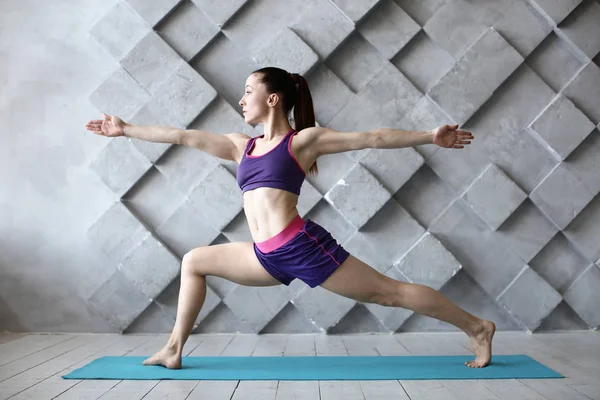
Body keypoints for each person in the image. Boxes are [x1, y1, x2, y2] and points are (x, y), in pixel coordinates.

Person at [85, 66, 495, 369]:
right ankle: (174, 349)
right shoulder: (239, 146)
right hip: (265, 255)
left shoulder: (303, 142)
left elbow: (373, 137)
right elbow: (182, 136)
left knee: (389, 293)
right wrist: (127, 130)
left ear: (273, 98)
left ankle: (476, 327)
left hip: (300, 246)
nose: (241, 99)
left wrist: (429, 136)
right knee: (194, 261)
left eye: (248, 91)